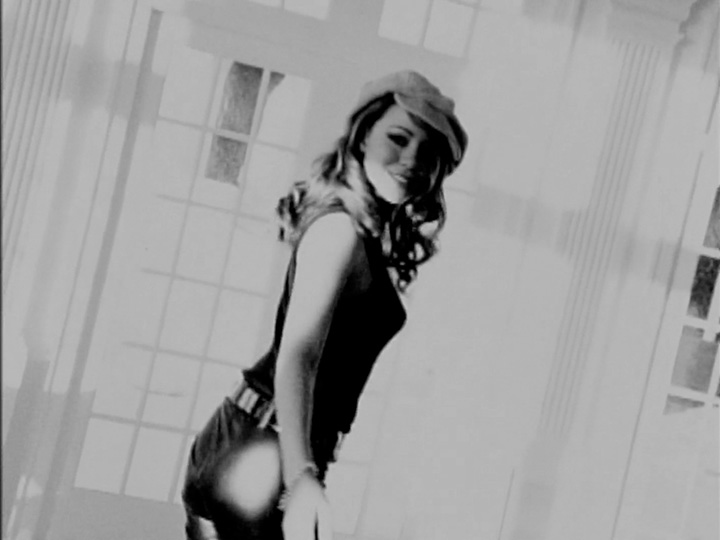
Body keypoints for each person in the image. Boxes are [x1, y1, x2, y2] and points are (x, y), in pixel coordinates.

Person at [181, 70, 467, 540]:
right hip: (266, 453)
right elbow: (299, 355)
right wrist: (301, 478)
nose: (412, 159)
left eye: (430, 152)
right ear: (363, 137)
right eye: (398, 139)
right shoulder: (340, 231)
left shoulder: (363, 233)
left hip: (255, 444)